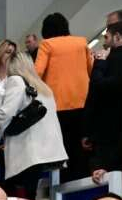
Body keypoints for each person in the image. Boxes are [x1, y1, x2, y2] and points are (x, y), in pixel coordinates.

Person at [0, 52, 67, 200]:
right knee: (31, 195)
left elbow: (5, 113)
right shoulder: (43, 86)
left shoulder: (16, 81)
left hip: (28, 152)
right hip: (48, 151)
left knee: (14, 194)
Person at [34, 13, 92, 182]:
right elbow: (91, 68)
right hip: (83, 101)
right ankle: (83, 181)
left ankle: (65, 185)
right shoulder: (82, 42)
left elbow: (37, 72)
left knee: (63, 147)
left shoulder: (47, 44)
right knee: (81, 147)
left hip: (57, 104)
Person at [85, 22, 122, 187]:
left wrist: (87, 130)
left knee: (107, 176)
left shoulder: (108, 60)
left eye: (107, 37)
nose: (105, 41)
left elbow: (96, 91)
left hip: (107, 126)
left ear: (117, 37)